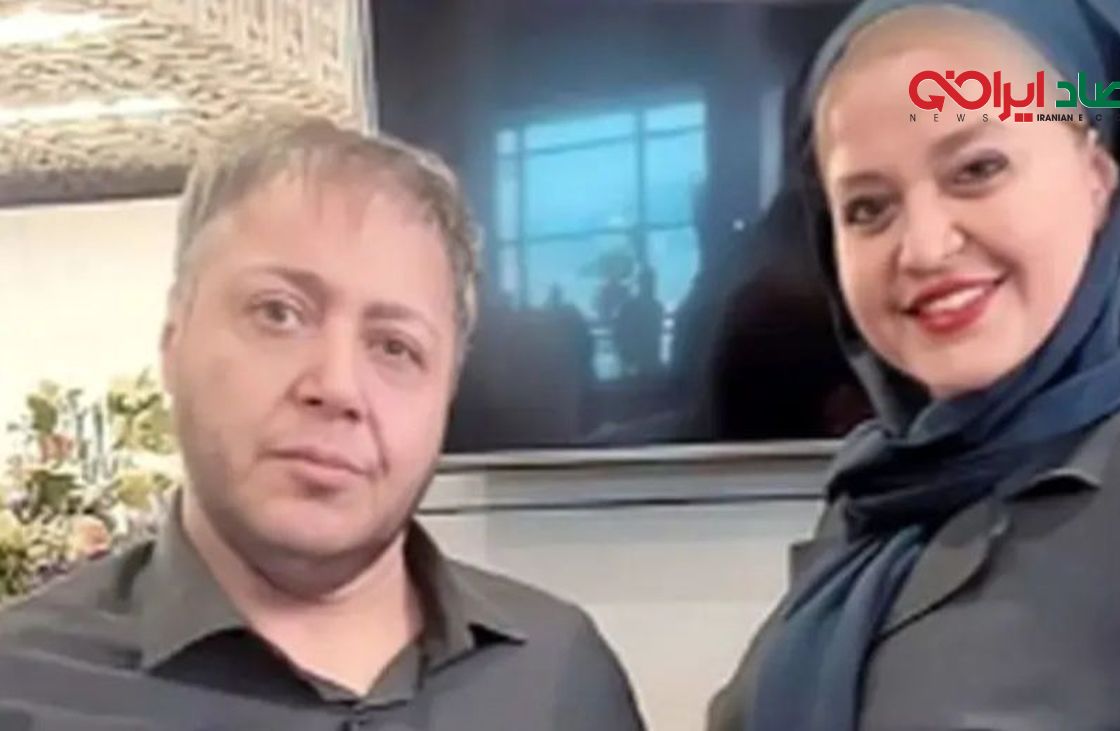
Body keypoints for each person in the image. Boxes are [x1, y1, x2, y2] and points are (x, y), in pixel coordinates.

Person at [709, 1, 1120, 729]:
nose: (924, 248)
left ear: (1098, 177)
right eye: (867, 208)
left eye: (977, 169)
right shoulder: (879, 498)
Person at [0, 119, 644, 730]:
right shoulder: (20, 686)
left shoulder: (563, 676)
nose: (336, 387)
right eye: (279, 314)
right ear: (174, 339)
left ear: (446, 393)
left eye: (395, 347)